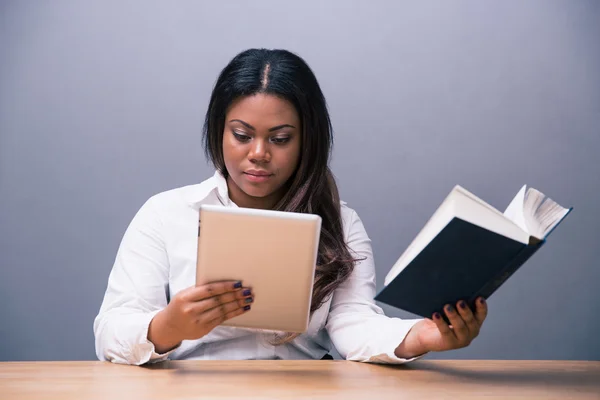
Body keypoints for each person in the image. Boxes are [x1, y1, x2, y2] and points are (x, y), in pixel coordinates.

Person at [93, 48, 488, 365]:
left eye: (280, 138)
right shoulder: (166, 213)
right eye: (242, 135)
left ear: (307, 141)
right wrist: (167, 326)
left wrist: (421, 336)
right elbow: (111, 331)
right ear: (219, 131)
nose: (259, 154)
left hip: (308, 390)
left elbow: (354, 324)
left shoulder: (339, 222)